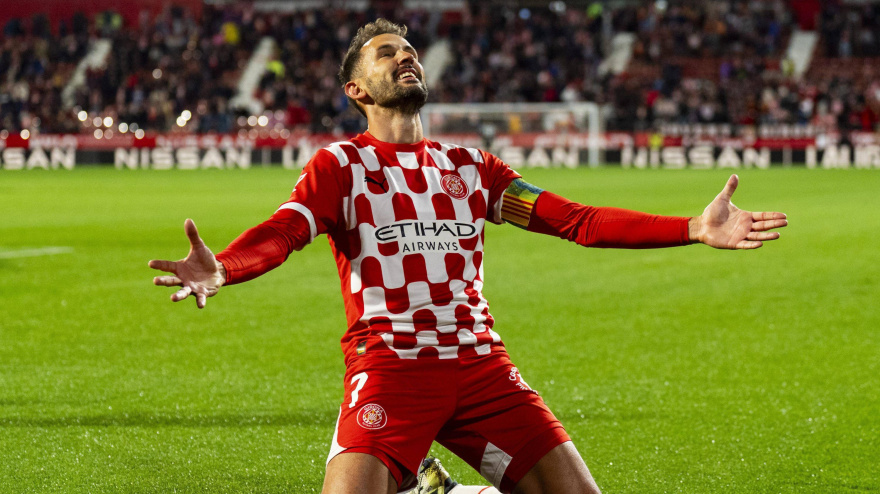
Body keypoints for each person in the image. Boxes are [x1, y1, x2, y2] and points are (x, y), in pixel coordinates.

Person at [149, 19, 788, 494]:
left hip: (483, 370)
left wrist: (692, 227)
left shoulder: (472, 169)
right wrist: (226, 266)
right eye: (387, 54)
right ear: (356, 89)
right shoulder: (340, 166)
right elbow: (285, 230)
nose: (406, 58)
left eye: (409, 51)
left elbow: (578, 222)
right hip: (391, 368)